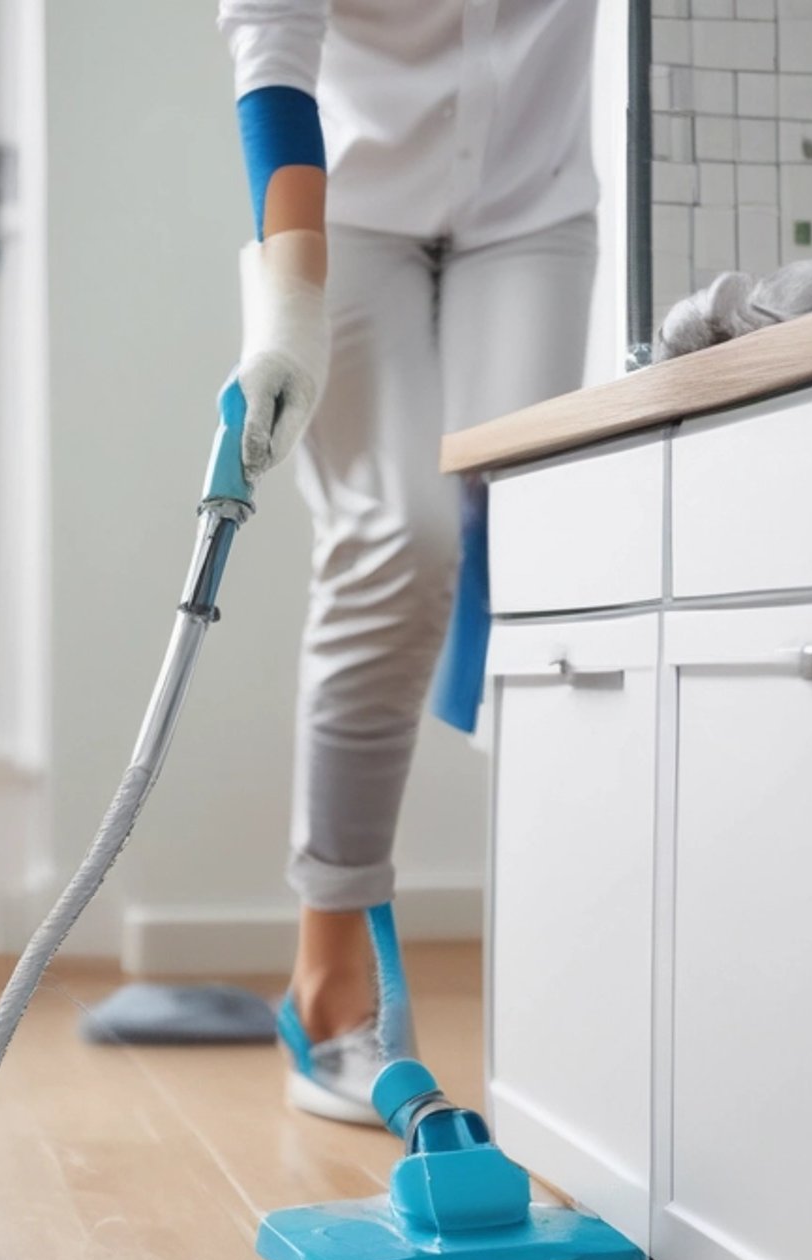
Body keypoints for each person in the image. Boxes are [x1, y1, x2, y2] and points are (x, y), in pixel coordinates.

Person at [219, 0, 601, 1123]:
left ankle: (565, 966)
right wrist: (290, 298)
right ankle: (326, 981)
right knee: (397, 536)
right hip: (352, 211)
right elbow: (273, 40)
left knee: (527, 545)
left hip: (532, 203)